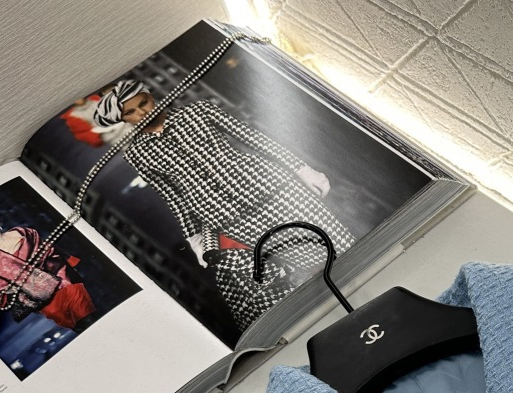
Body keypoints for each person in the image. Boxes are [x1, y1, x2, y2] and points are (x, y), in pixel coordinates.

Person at [93, 79, 356, 331]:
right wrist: (194, 237)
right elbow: (172, 196)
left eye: (143, 103)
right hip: (229, 218)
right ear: (123, 119)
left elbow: (254, 138)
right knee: (298, 266)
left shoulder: (197, 111)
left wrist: (301, 169)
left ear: (151, 96)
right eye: (131, 112)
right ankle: (344, 316)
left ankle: (368, 286)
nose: (142, 113)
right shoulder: (137, 153)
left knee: (334, 246)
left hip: (271, 190)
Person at [0, 216, 96, 333]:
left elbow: (47, 249)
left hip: (58, 274)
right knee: (70, 321)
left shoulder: (23, 232)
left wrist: (68, 261)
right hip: (36, 293)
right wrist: (10, 290)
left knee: (85, 312)